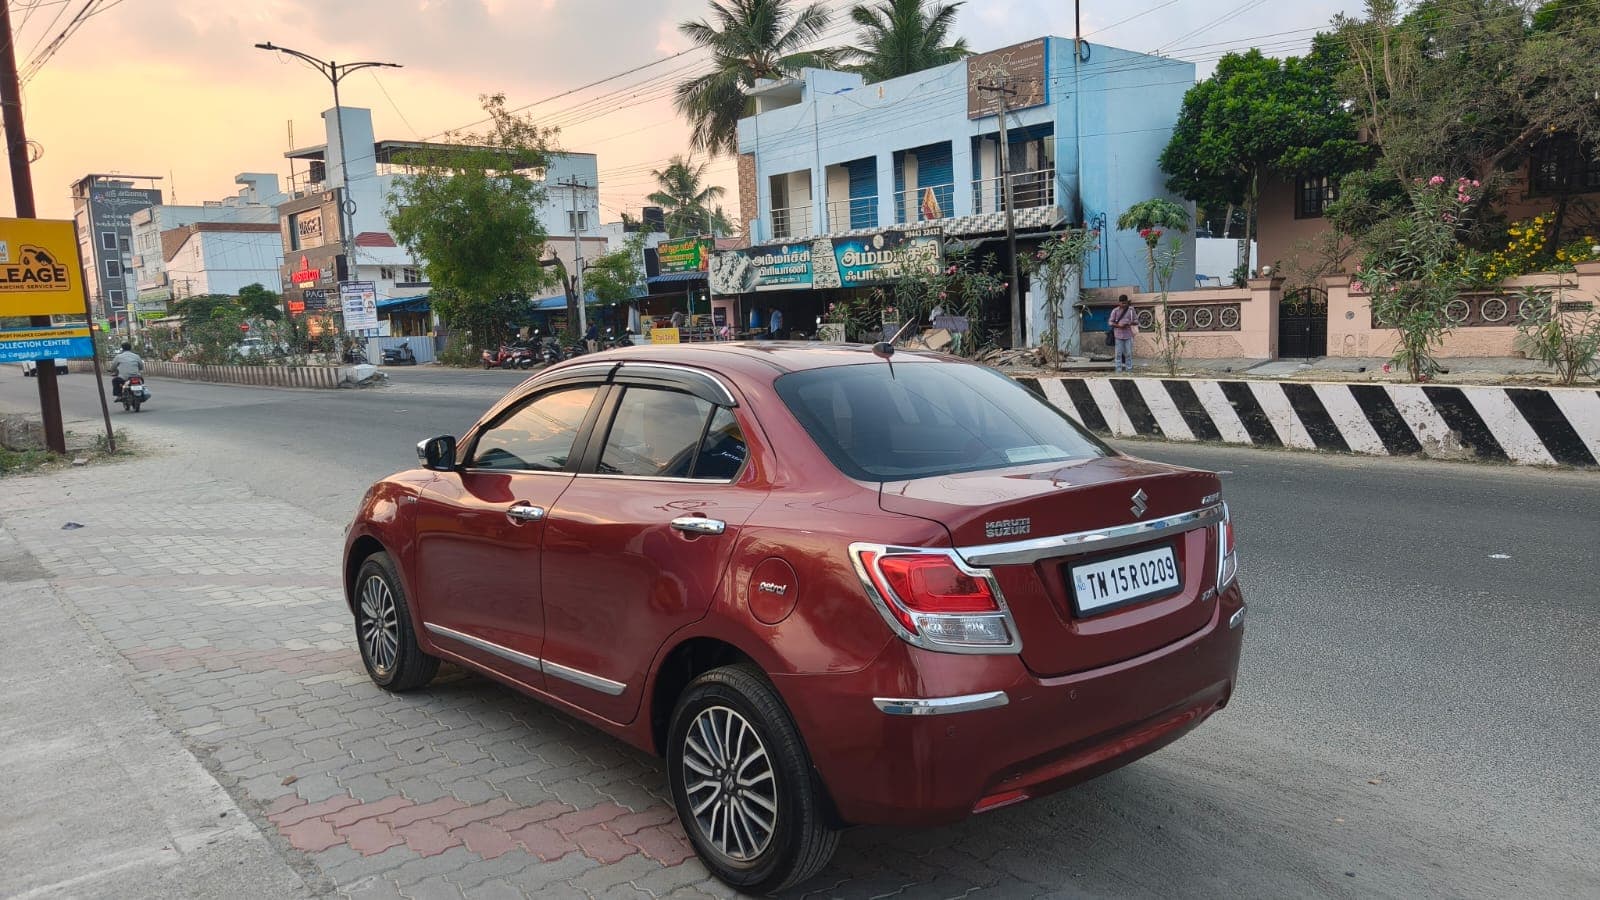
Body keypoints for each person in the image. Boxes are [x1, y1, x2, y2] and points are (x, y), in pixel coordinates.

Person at [1109, 295, 1139, 373]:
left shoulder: (1131, 310)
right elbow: (1110, 322)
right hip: (1118, 335)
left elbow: (1136, 321)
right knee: (1118, 354)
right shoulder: (1115, 311)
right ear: (1119, 303)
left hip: (1129, 335)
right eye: (1122, 303)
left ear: (1127, 302)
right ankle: (1118, 370)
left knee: (1128, 353)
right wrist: (1119, 326)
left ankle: (1129, 370)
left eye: (1125, 303)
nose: (1124, 305)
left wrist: (1130, 323)